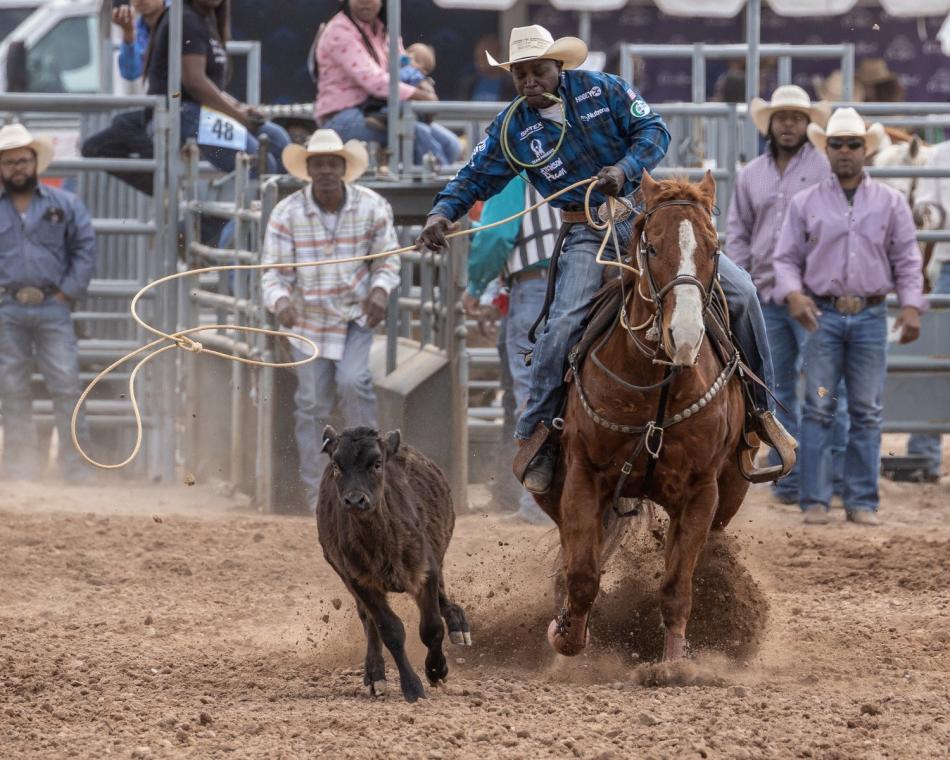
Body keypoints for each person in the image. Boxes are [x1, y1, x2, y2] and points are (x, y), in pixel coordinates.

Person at [417, 24, 797, 494]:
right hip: (585, 229)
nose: (529, 81)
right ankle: (538, 435)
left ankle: (761, 412)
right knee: (562, 326)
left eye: (538, 70)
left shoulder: (604, 89)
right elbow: (474, 176)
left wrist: (624, 169)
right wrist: (442, 212)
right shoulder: (512, 127)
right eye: (520, 75)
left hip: (643, 216)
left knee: (740, 292)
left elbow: (654, 132)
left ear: (559, 67)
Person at [773, 108, 926, 526]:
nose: (844, 151)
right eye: (837, 144)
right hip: (820, 314)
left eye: (852, 144)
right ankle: (816, 500)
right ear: (827, 150)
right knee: (819, 407)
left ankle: (861, 500)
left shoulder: (891, 203)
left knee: (865, 409)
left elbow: (908, 260)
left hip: (872, 315)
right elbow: (785, 258)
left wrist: (911, 305)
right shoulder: (806, 203)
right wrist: (793, 294)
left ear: (865, 149)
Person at [260, 129, 400, 509]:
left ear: (343, 168)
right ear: (308, 170)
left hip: (354, 316)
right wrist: (281, 301)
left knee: (354, 383)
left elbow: (388, 258)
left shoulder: (371, 206)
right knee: (312, 404)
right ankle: (317, 496)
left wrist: (380, 289)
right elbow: (272, 271)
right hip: (307, 322)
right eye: (317, 164)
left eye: (331, 163)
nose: (324, 170)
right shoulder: (287, 213)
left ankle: (374, 487)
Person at [727, 85, 850, 505]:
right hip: (765, 297)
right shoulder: (751, 175)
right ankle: (793, 479)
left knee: (824, 387)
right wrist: (743, 280)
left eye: (797, 118)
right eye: (782, 117)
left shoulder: (825, 170)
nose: (789, 125)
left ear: (807, 123)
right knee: (774, 389)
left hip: (813, 295)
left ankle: (828, 479)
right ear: (771, 124)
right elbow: (739, 231)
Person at [0, 124, 96, 483]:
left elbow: (84, 249)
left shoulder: (65, 205)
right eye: (9, 162)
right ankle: (19, 469)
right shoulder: (63, 204)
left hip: (52, 304)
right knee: (11, 387)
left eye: (22, 160)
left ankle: (77, 467)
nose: (17, 168)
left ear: (35, 161)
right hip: (7, 304)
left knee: (67, 384)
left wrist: (67, 292)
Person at [465, 177, 559, 524]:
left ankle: (537, 506)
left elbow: (495, 236)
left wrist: (476, 286)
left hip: (534, 289)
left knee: (531, 395)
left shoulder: (515, 173)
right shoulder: (573, 164)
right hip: (579, 283)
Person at [148, 0, 290, 175]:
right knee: (258, 164)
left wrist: (239, 107)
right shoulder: (186, 18)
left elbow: (209, 86)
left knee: (278, 141)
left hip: (196, 111)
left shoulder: (203, 20)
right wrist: (239, 116)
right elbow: (195, 83)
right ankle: (255, 200)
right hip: (177, 112)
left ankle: (282, 201)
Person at [313, 0, 461, 166]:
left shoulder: (385, 29)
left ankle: (438, 184)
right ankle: (445, 189)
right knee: (418, 134)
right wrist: (421, 96)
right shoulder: (338, 30)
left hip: (382, 111)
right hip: (342, 118)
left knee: (451, 145)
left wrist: (424, 87)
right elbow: (373, 81)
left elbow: (404, 68)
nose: (365, 1)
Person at [80, 0, 168, 195]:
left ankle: (168, 178)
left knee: (124, 123)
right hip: (163, 107)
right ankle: (165, 188)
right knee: (93, 148)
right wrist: (128, 35)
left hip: (184, 104)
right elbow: (131, 72)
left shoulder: (180, 19)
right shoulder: (141, 26)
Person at [900, 142, 950, 481]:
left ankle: (923, 454)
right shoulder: (940, 155)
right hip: (948, 262)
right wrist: (927, 215)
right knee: (934, 358)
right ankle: (923, 456)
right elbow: (926, 204)